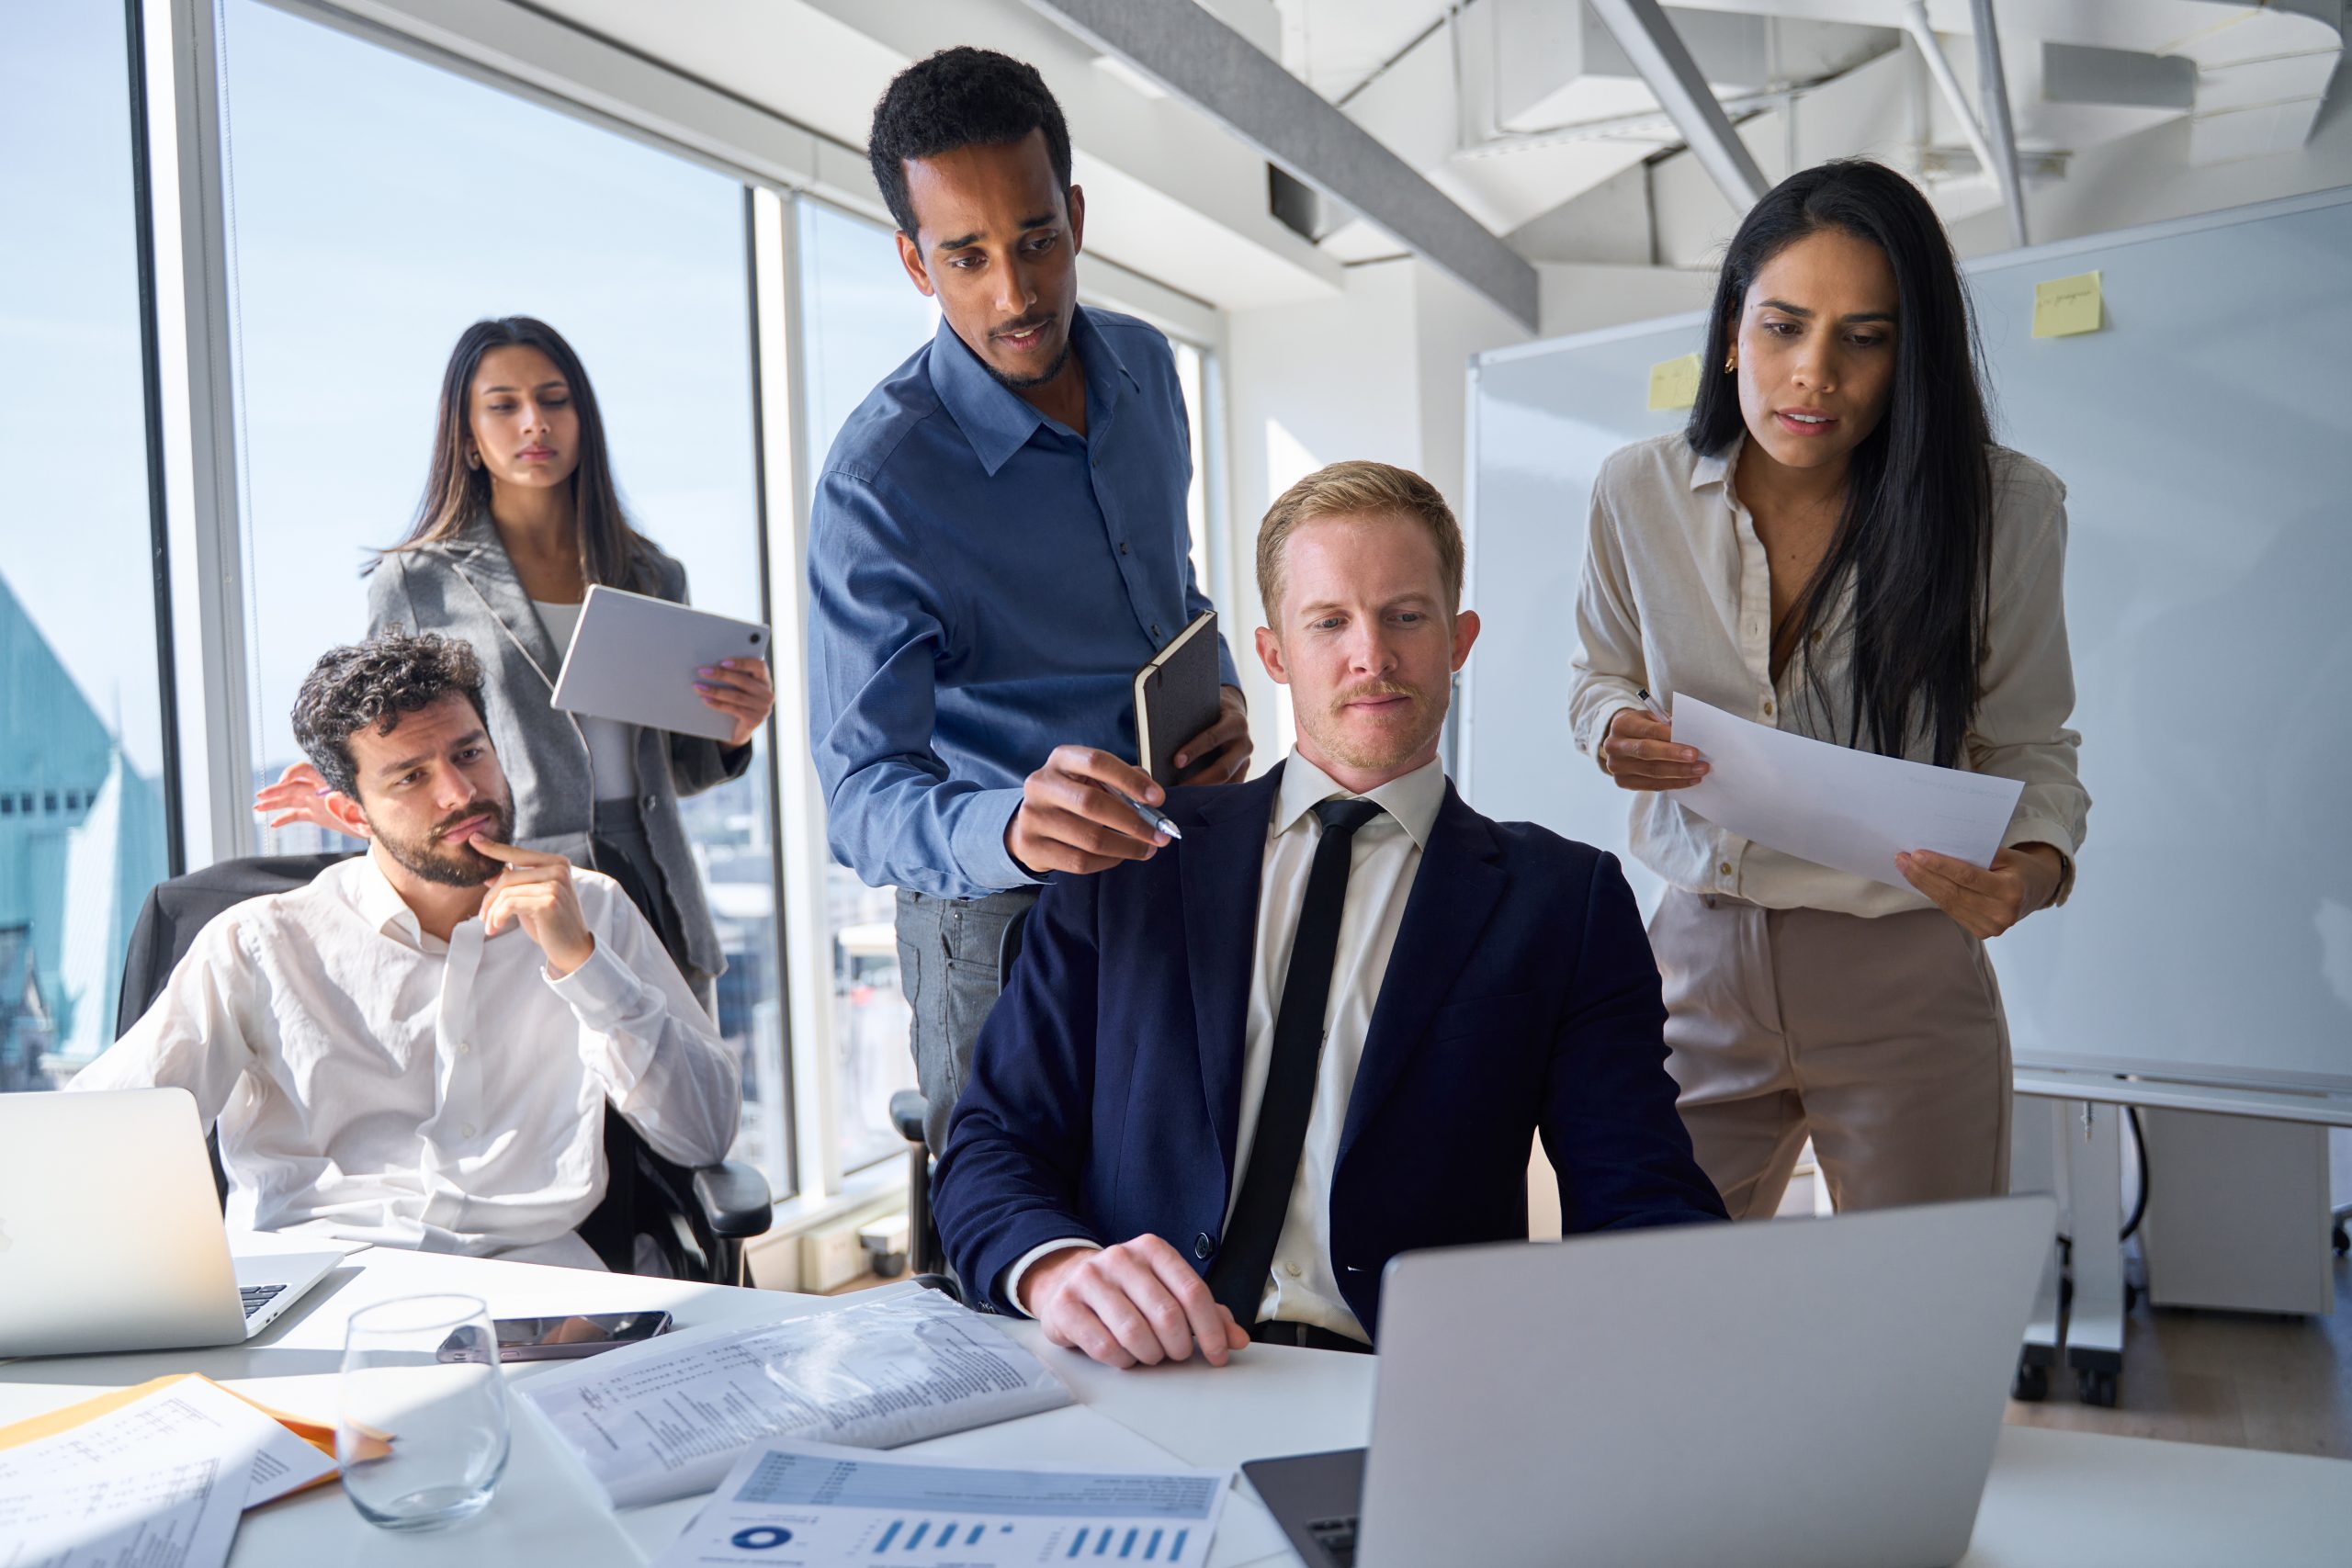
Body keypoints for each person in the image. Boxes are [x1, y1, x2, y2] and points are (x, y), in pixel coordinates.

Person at [932, 461, 1725, 1367]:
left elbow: (1636, 1192)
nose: (1371, 656)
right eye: (1329, 622)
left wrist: (1703, 1319)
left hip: (1402, 1383)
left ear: (1459, 639)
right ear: (1272, 655)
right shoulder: (1133, 858)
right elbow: (992, 1142)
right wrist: (1058, 1271)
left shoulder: (1563, 899)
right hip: (1141, 1368)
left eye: (1406, 616)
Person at [1569, 160, 2090, 1220]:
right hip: (1692, 961)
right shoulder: (1636, 489)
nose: (1812, 374)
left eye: (1863, 337)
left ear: (1910, 357)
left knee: (1915, 1304)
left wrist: (2031, 873)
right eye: (1781, 327)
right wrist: (1611, 728)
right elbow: (1599, 673)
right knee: (1655, 1291)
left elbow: (2030, 744)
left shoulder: (2004, 510)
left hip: (1903, 973)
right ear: (1731, 331)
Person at [809, 48, 1253, 1154]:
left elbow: (1173, 588)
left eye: (1037, 240)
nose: (1013, 295)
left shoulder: (1147, 369)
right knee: (1026, 1239)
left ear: (1077, 217)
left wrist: (1223, 693)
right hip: (999, 928)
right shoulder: (878, 484)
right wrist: (1007, 824)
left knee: (1197, 1203)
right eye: (965, 256)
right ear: (915, 263)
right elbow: (859, 797)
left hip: (1176, 871)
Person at [77, 634, 741, 1269]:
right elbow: (98, 1139)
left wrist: (584, 967)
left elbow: (704, 1136)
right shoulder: (257, 945)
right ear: (351, 814)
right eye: (411, 777)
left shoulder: (591, 910)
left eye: (470, 753)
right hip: (332, 1284)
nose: (460, 793)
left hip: (543, 1289)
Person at [254, 316, 772, 1002]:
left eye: (555, 400)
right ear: (468, 437)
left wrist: (733, 731)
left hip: (656, 880)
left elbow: (674, 768)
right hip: (515, 884)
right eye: (503, 406)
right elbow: (392, 739)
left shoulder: (650, 574)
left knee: (677, 1070)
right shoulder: (416, 582)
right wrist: (357, 799)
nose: (535, 422)